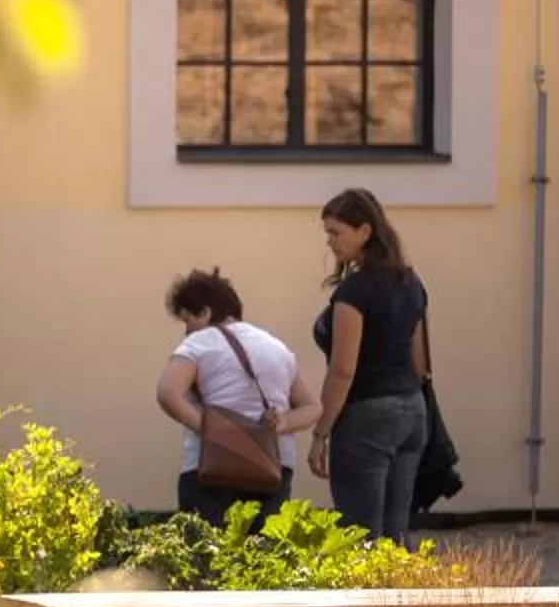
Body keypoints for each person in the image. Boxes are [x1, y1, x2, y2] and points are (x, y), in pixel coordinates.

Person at [308, 187, 432, 546]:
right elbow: (419, 360)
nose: (330, 242)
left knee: (360, 535)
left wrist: (320, 433)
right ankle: (399, 600)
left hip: (366, 417)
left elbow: (343, 369)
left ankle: (363, 603)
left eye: (336, 232)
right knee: (396, 536)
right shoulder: (411, 282)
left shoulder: (354, 292)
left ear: (364, 231)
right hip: (412, 412)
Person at [154, 268, 318, 522]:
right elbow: (312, 407)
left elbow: (167, 392)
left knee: (208, 553)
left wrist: (212, 429)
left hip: (212, 468)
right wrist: (283, 423)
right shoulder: (277, 347)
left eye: (188, 320)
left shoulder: (199, 343)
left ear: (205, 312)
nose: (186, 330)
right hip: (272, 466)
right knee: (263, 552)